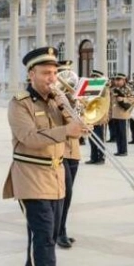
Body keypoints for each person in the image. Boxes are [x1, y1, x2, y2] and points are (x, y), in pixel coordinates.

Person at [3, 46, 87, 266]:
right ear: (31, 74)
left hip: (56, 175)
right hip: (30, 175)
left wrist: (75, 115)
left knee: (46, 235)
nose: (52, 78)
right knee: (44, 237)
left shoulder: (56, 100)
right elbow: (29, 138)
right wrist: (67, 129)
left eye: (54, 72)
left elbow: (72, 135)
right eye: (46, 73)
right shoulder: (19, 103)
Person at [56, 60, 80, 249]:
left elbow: (91, 118)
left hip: (74, 151)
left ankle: (61, 228)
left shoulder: (75, 100)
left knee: (68, 195)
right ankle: (59, 231)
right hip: (60, 150)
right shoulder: (55, 101)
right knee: (65, 192)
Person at [86, 69, 109, 165]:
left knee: (99, 139)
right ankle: (93, 157)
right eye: (92, 77)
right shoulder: (90, 88)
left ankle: (101, 157)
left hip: (99, 117)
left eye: (95, 77)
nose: (93, 79)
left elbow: (105, 103)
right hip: (91, 117)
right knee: (91, 138)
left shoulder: (104, 89)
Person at [109, 73, 134, 156]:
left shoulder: (127, 89)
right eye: (116, 80)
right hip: (115, 114)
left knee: (122, 133)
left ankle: (124, 150)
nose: (117, 82)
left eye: (119, 80)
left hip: (123, 114)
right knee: (117, 133)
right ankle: (119, 150)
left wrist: (122, 99)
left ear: (124, 80)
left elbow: (132, 100)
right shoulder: (114, 89)